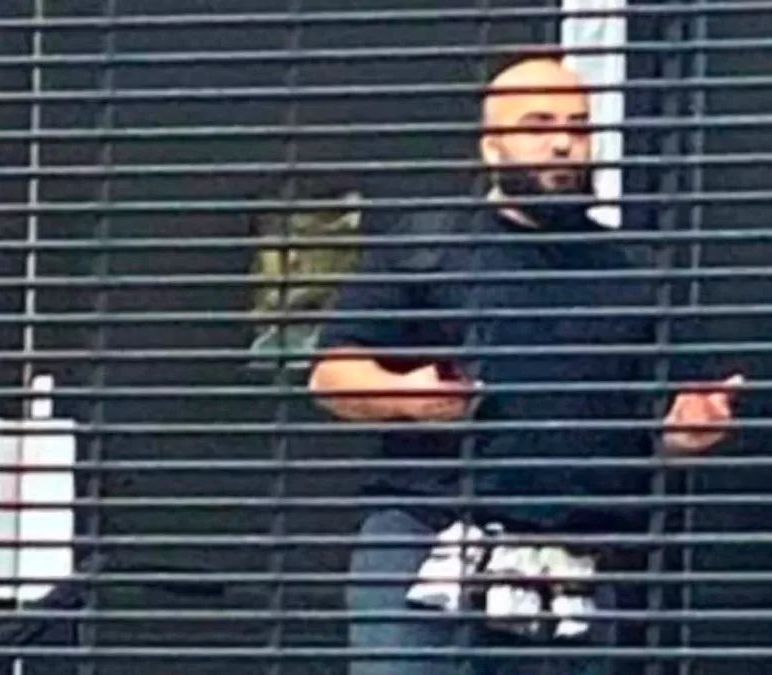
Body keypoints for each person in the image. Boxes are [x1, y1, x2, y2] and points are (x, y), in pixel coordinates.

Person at [309, 55, 743, 675]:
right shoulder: (426, 248)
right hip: (429, 549)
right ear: (492, 146)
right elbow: (332, 374)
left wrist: (687, 433)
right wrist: (406, 395)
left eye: (578, 126)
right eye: (539, 125)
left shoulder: (634, 271)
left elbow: (664, 419)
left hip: (574, 566)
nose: (563, 144)